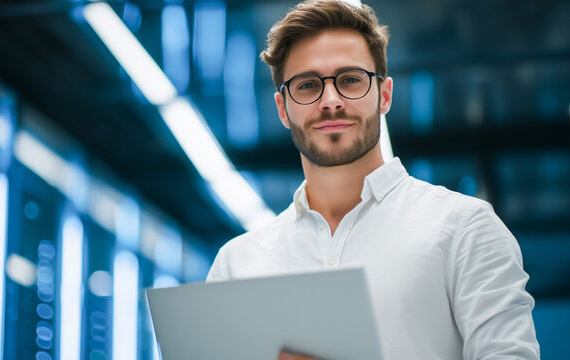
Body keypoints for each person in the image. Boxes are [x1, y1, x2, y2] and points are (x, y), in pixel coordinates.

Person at [206, 0, 540, 359]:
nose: (330, 101)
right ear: (282, 108)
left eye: (350, 80)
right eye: (307, 85)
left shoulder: (465, 229)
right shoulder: (236, 265)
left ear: (384, 95)